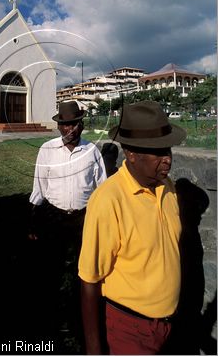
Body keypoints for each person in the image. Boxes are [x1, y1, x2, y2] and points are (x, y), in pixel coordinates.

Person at [79, 100, 187, 355]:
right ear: (131, 154)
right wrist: (94, 349)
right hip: (130, 331)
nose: (167, 159)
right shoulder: (108, 201)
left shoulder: (167, 187)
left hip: (168, 325)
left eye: (168, 149)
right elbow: (89, 280)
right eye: (158, 152)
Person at [28, 100, 106, 342]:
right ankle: (53, 319)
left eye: (74, 124)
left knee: (83, 272)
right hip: (53, 217)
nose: (69, 129)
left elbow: (103, 190)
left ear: (81, 125)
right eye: (64, 125)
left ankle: (80, 319)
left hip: (84, 219)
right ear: (59, 127)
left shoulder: (92, 151)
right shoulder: (47, 150)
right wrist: (33, 222)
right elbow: (38, 188)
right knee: (53, 267)